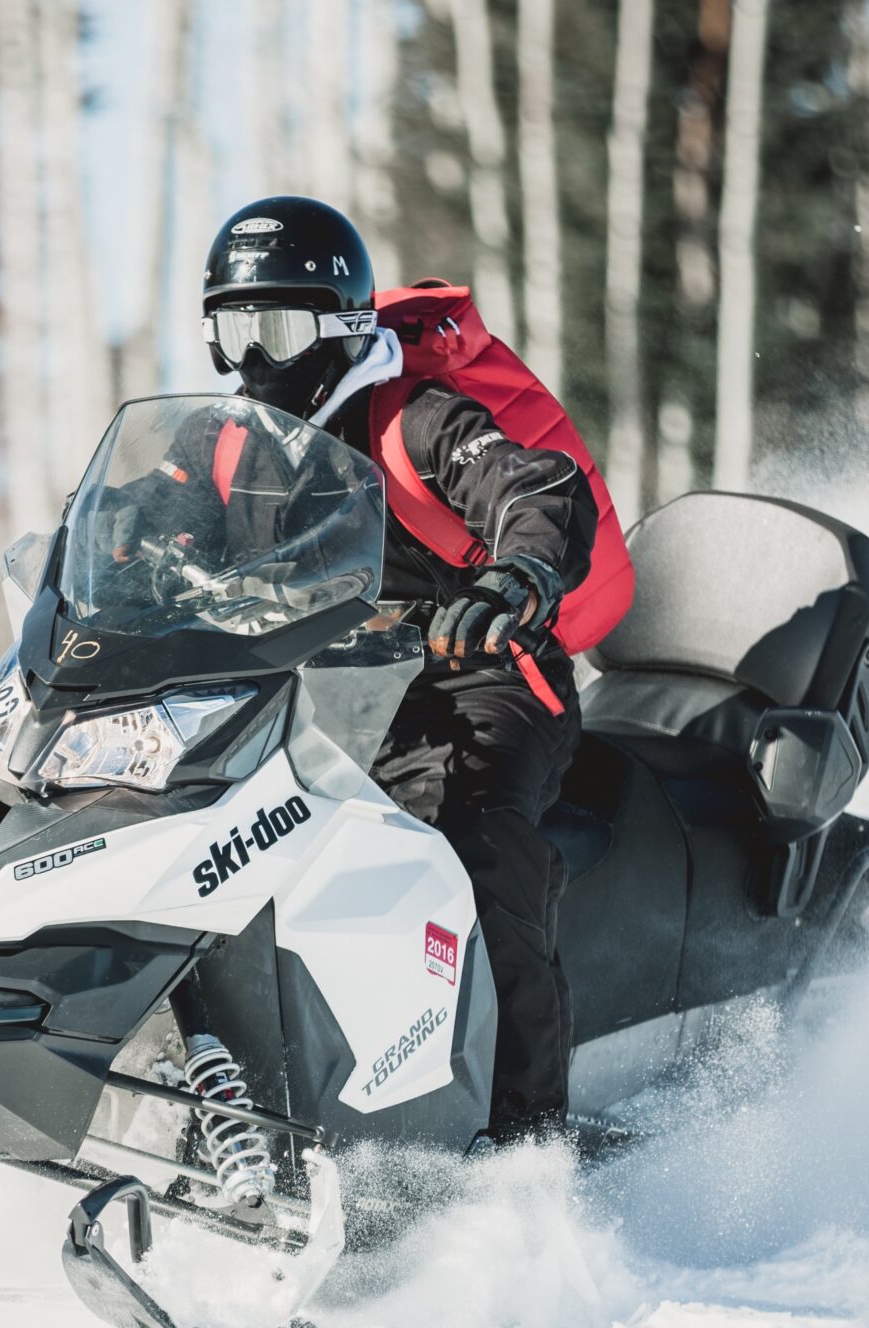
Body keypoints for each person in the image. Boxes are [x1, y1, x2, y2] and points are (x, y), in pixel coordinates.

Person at [200, 195, 634, 1145]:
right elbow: (159, 505)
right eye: (233, 332)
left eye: (277, 329)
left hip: (481, 674)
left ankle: (524, 1139)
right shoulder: (236, 441)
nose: (256, 363)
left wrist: (518, 569)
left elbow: (533, 486)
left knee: (467, 850)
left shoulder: (419, 416)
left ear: (343, 327)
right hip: (327, 692)